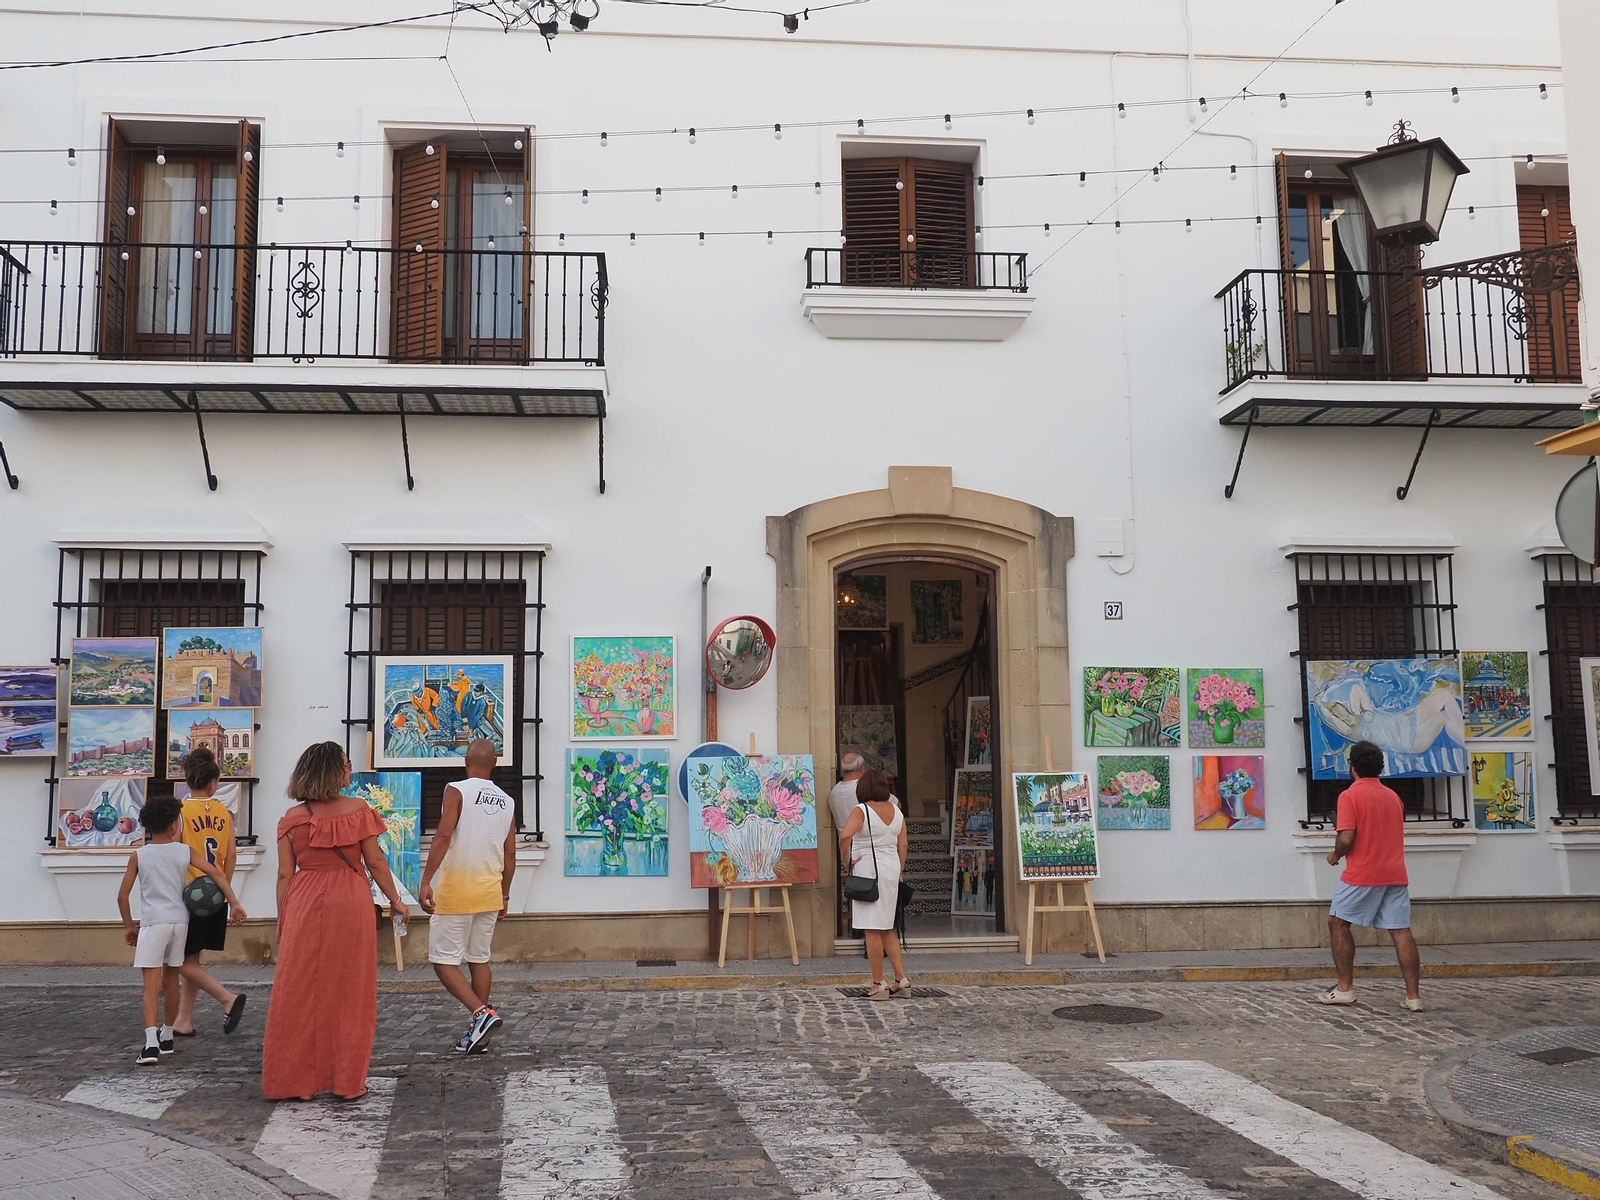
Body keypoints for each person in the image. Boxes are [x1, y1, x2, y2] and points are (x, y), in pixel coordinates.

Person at [262, 742, 408, 1101]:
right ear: (333, 771)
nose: (350, 769)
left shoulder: (292, 819)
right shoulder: (359, 811)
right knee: (351, 990)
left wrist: (285, 919)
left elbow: (284, 874)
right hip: (350, 899)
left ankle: (292, 1081)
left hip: (304, 900)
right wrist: (396, 900)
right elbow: (375, 862)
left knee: (297, 990)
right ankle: (347, 1081)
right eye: (346, 764)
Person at [116, 795, 246, 1066]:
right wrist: (233, 903)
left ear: (146, 827)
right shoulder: (185, 851)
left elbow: (122, 896)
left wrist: (129, 926)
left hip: (154, 923)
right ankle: (167, 1035)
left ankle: (150, 1044)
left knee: (151, 985)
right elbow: (218, 874)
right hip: (180, 922)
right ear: (176, 824)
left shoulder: (139, 855)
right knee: (172, 980)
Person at [419, 738, 517, 1054]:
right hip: (490, 891)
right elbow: (511, 855)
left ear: (465, 761)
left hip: (457, 888)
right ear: (495, 765)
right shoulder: (508, 801)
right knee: (479, 959)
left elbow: (444, 835)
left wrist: (426, 880)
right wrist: (505, 895)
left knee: (443, 962)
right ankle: (479, 1033)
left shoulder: (456, 790)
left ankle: (481, 1013)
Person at [1322, 739, 1423, 1011]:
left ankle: (1345, 988)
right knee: (1401, 931)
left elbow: (1347, 837)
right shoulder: (1394, 797)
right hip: (1395, 872)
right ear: (1380, 767)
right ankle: (1413, 996)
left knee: (1338, 923)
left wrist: (1335, 855)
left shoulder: (1350, 796)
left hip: (1362, 872)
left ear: (1352, 767)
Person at [171, 747, 248, 1038]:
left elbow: (177, 853)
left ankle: (227, 999)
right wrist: (224, 892)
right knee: (193, 960)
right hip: (215, 892)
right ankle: (183, 1020)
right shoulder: (224, 813)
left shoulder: (180, 811)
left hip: (189, 894)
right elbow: (230, 854)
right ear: (213, 783)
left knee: (177, 959)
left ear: (188, 780)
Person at [837, 768, 911, 1001]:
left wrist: (846, 860)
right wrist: (900, 869)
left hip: (868, 869)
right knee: (887, 927)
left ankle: (878, 982)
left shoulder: (862, 810)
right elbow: (904, 845)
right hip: (891, 869)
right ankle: (902, 979)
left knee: (871, 928)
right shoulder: (897, 812)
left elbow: (845, 836)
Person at [826, 751, 866, 836]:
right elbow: (896, 805)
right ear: (862, 769)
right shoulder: (866, 788)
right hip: (867, 843)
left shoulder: (834, 792)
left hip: (845, 844)